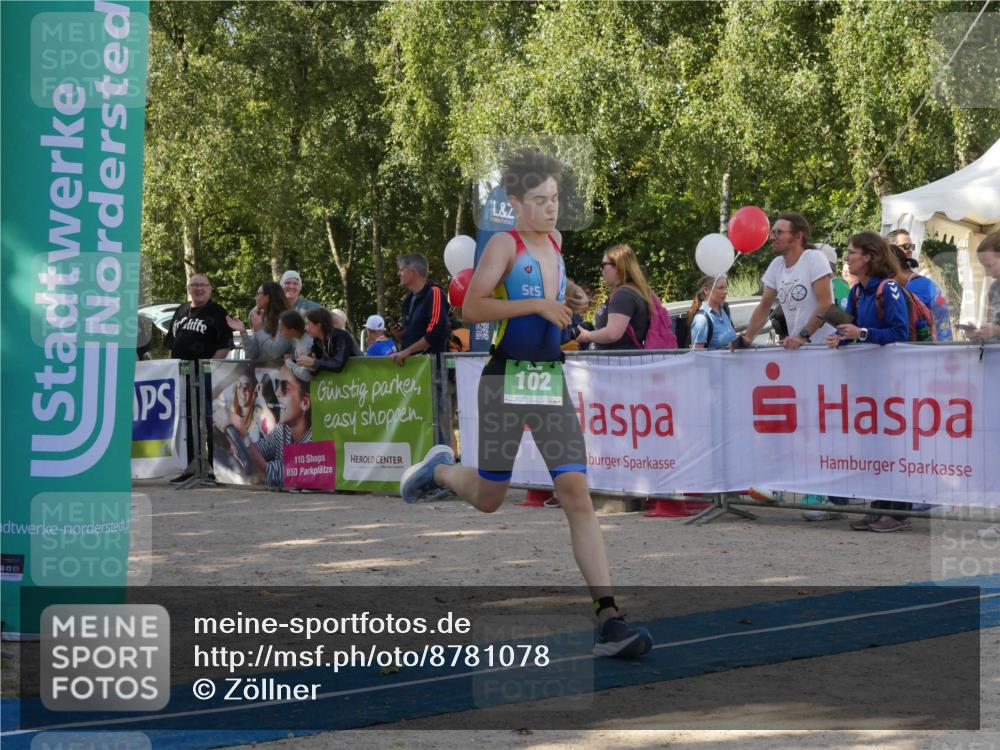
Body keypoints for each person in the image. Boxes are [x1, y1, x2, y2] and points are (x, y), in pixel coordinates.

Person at [399, 148, 652, 659]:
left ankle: (609, 617)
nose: (551, 209)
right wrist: (537, 304)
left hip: (547, 378)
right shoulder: (501, 246)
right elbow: (472, 307)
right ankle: (442, 470)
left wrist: (572, 297)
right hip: (504, 377)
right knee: (491, 497)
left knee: (577, 492)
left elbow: (557, 287)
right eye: (539, 200)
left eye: (555, 199)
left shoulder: (554, 242)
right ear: (515, 202)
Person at [825, 231, 912, 533]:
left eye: (851, 252)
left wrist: (859, 335)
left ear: (869, 257)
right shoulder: (857, 292)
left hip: (891, 384)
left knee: (892, 446)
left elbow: (900, 333)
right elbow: (856, 330)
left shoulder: (889, 289)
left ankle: (898, 512)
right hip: (867, 385)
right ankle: (879, 506)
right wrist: (841, 338)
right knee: (873, 447)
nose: (847, 258)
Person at [164, 274, 234, 483]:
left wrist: (209, 370)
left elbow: (225, 346)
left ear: (211, 289)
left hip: (206, 376)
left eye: (203, 285)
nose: (199, 288)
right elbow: (172, 343)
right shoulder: (181, 310)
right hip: (182, 376)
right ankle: (190, 466)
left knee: (209, 420)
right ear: (188, 288)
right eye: (194, 285)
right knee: (186, 421)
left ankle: (214, 468)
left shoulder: (217, 312)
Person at [739, 212, 836, 349]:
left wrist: (802, 337)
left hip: (823, 346)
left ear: (798, 237)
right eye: (772, 232)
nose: (772, 237)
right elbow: (764, 306)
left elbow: (825, 303)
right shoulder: (776, 264)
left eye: (779, 232)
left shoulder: (814, 258)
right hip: (798, 347)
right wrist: (747, 337)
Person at [242, 365, 312, 488]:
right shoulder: (282, 429)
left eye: (285, 387)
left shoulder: (314, 441)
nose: (277, 392)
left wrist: (241, 433)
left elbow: (269, 473)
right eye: (277, 384)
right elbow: (261, 448)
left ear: (305, 402)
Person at [575, 245, 652, 350]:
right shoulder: (632, 292)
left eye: (603, 265)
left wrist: (587, 335)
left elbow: (612, 333)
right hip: (623, 361)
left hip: (619, 362)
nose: (601, 269)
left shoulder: (623, 295)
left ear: (618, 267)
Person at [390, 253, 450, 366]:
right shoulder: (408, 299)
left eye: (401, 270)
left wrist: (408, 351)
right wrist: (400, 335)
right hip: (411, 371)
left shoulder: (434, 293)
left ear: (413, 272)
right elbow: (411, 339)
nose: (398, 274)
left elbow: (436, 332)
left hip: (431, 370)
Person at [890, 244, 953, 341]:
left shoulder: (913, 289)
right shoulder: (922, 283)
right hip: (942, 346)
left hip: (933, 349)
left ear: (891, 268)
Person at [227, 281, 293, 362]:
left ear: (267, 297)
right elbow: (252, 354)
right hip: (263, 372)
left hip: (284, 372)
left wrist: (259, 330)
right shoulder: (263, 318)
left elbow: (275, 353)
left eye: (258, 294)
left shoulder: (288, 319)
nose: (256, 297)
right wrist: (243, 332)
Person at [298, 308, 359, 375]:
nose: (305, 328)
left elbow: (338, 365)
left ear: (318, 326)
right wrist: (311, 367)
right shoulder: (317, 341)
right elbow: (321, 367)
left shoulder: (342, 337)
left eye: (307, 324)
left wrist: (313, 362)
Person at [688, 275, 737, 349]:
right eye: (721, 288)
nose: (725, 291)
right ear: (706, 290)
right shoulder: (701, 320)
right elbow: (698, 356)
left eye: (726, 287)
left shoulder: (725, 310)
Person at [278, 309, 314, 381]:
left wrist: (288, 362)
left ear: (292, 330)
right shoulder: (299, 339)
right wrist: (294, 359)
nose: (280, 333)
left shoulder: (307, 344)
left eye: (282, 330)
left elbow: (306, 375)